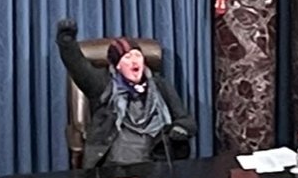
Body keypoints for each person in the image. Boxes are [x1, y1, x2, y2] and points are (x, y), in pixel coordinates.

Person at [56, 19, 195, 168]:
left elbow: (186, 120)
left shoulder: (161, 85)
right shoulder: (103, 85)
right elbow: (78, 66)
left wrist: (180, 129)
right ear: (118, 65)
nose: (135, 61)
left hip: (155, 160)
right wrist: (66, 41)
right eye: (127, 57)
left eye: (138, 55)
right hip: (116, 164)